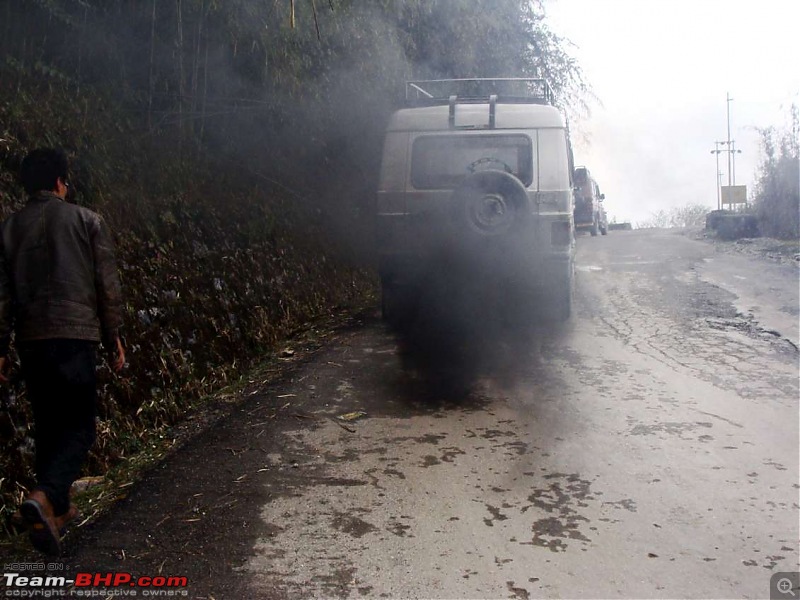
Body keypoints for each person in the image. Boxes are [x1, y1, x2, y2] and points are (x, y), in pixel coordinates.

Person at [0, 148, 125, 555]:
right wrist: (114, 339)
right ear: (59, 183)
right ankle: (44, 496)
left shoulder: (10, 229)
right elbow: (106, 287)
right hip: (75, 336)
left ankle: (57, 511)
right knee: (81, 428)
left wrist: (1, 347)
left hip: (31, 339)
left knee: (48, 425)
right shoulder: (87, 220)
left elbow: (2, 296)